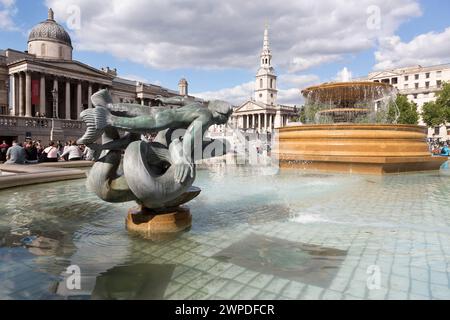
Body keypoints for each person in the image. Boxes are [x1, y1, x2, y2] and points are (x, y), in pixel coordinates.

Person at [78, 90, 233, 184]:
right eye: (225, 117)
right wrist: (184, 158)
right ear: (218, 113)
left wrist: (165, 100)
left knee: (133, 127)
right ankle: (106, 118)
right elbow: (190, 136)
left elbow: (181, 99)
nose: (225, 121)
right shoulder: (206, 116)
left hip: (159, 110)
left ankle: (106, 107)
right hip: (164, 120)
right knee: (130, 123)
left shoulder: (198, 106)